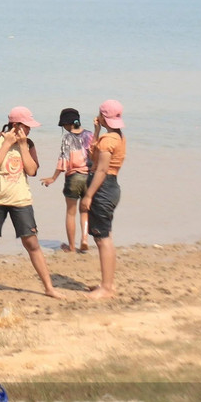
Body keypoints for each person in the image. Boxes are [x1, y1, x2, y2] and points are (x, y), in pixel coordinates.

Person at [0, 107, 59, 298]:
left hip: (21, 200)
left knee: (31, 242)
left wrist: (24, 146)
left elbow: (32, 170)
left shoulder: (29, 143)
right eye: (27, 126)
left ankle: (49, 288)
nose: (29, 130)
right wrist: (7, 145)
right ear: (16, 125)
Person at [82, 100, 127, 299]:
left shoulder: (109, 141)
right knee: (104, 237)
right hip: (110, 186)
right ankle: (107, 284)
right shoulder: (117, 137)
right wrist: (96, 130)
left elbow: (100, 169)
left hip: (103, 188)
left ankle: (107, 287)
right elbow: (94, 155)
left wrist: (88, 195)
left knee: (103, 238)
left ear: (102, 116)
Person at [39, 108, 93, 252]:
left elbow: (63, 160)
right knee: (85, 211)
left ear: (67, 124)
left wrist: (53, 178)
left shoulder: (67, 138)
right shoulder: (90, 135)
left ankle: (71, 247)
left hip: (73, 178)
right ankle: (85, 239)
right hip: (89, 178)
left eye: (63, 125)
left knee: (71, 212)